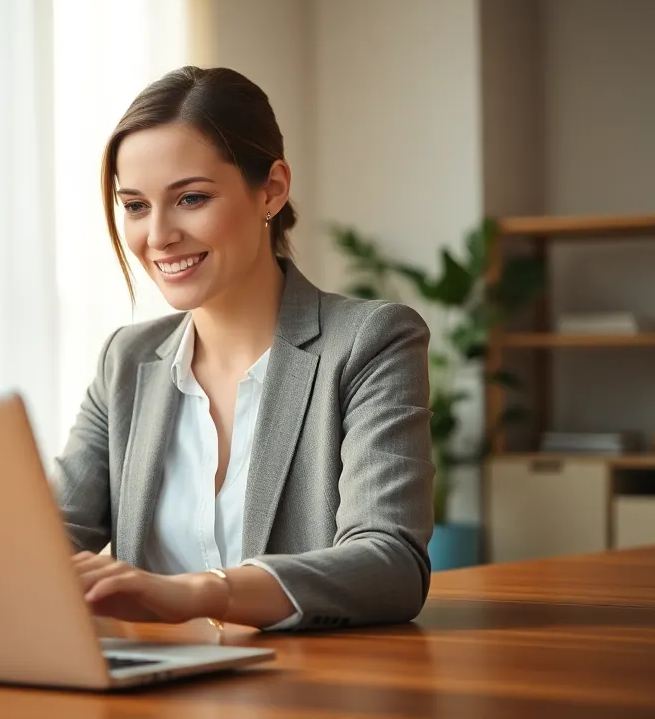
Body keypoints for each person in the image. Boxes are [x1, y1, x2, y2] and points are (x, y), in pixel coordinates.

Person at [55, 66, 433, 633]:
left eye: (191, 198)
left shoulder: (370, 342)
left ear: (272, 190)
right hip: (149, 689)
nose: (157, 235)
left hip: (304, 688)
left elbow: (392, 564)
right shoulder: (127, 360)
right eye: (134, 206)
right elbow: (47, 538)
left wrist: (200, 594)